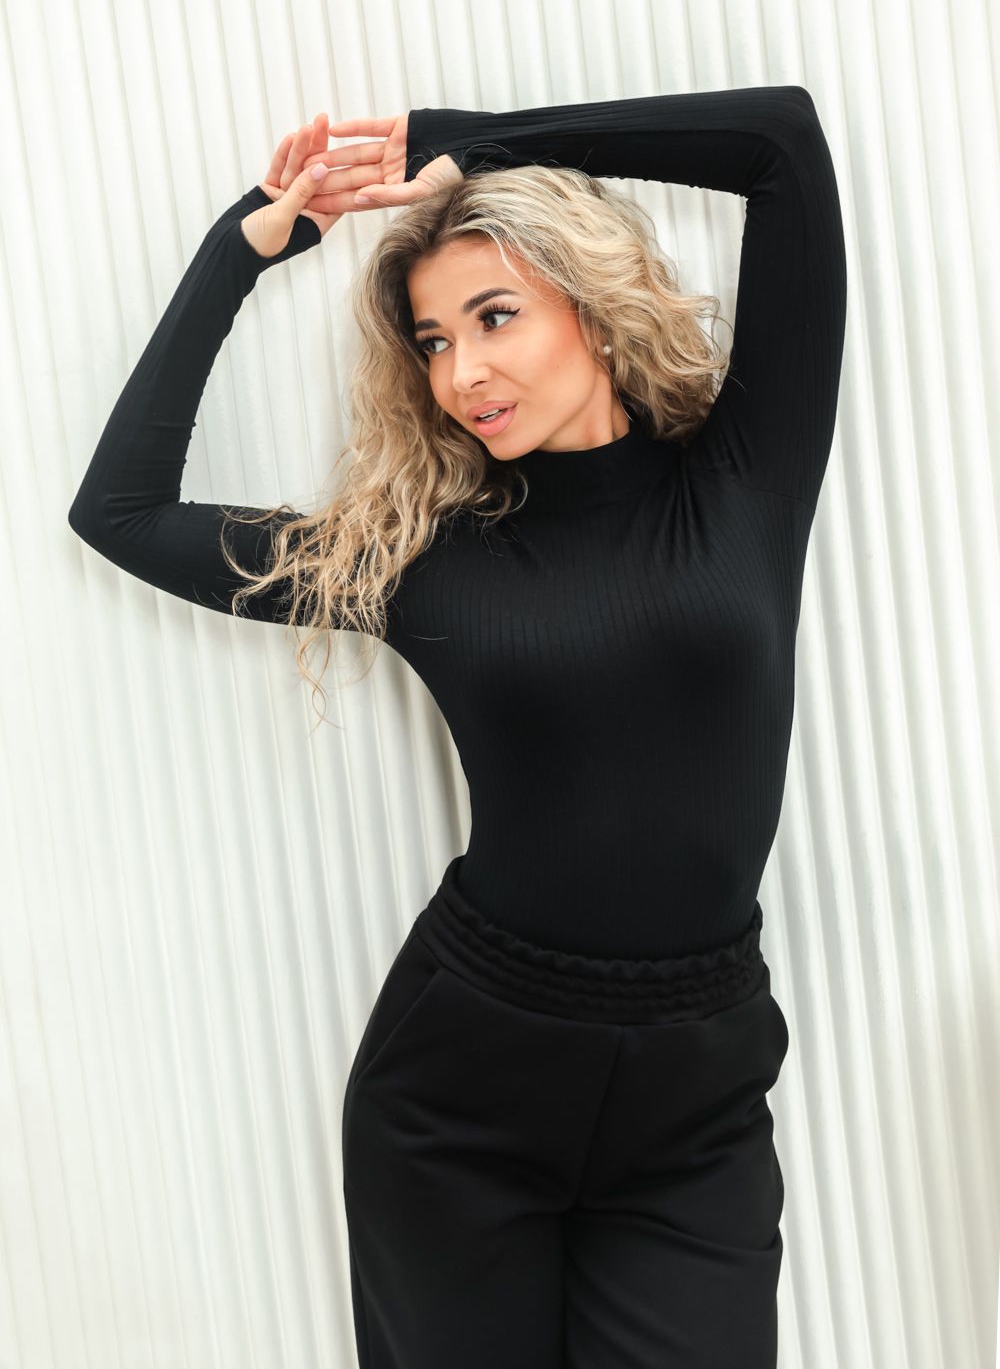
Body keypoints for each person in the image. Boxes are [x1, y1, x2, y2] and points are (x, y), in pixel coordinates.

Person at [68, 86, 848, 1368]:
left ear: (588, 304)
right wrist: (241, 246)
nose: (461, 374)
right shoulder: (417, 560)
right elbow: (121, 513)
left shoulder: (744, 475)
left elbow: (780, 144)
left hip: (695, 1102)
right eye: (431, 341)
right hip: (464, 1096)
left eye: (494, 317)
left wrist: (458, 143)